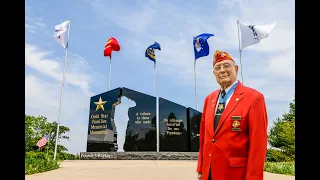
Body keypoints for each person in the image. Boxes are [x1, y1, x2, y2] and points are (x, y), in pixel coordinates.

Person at [196, 50, 268, 180]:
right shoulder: (209, 99)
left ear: (236, 69)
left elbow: (258, 144)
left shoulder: (254, 98)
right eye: (218, 68)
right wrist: (201, 168)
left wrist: (254, 177)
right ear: (214, 74)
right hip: (210, 172)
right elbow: (204, 138)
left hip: (235, 174)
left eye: (226, 66)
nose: (222, 70)